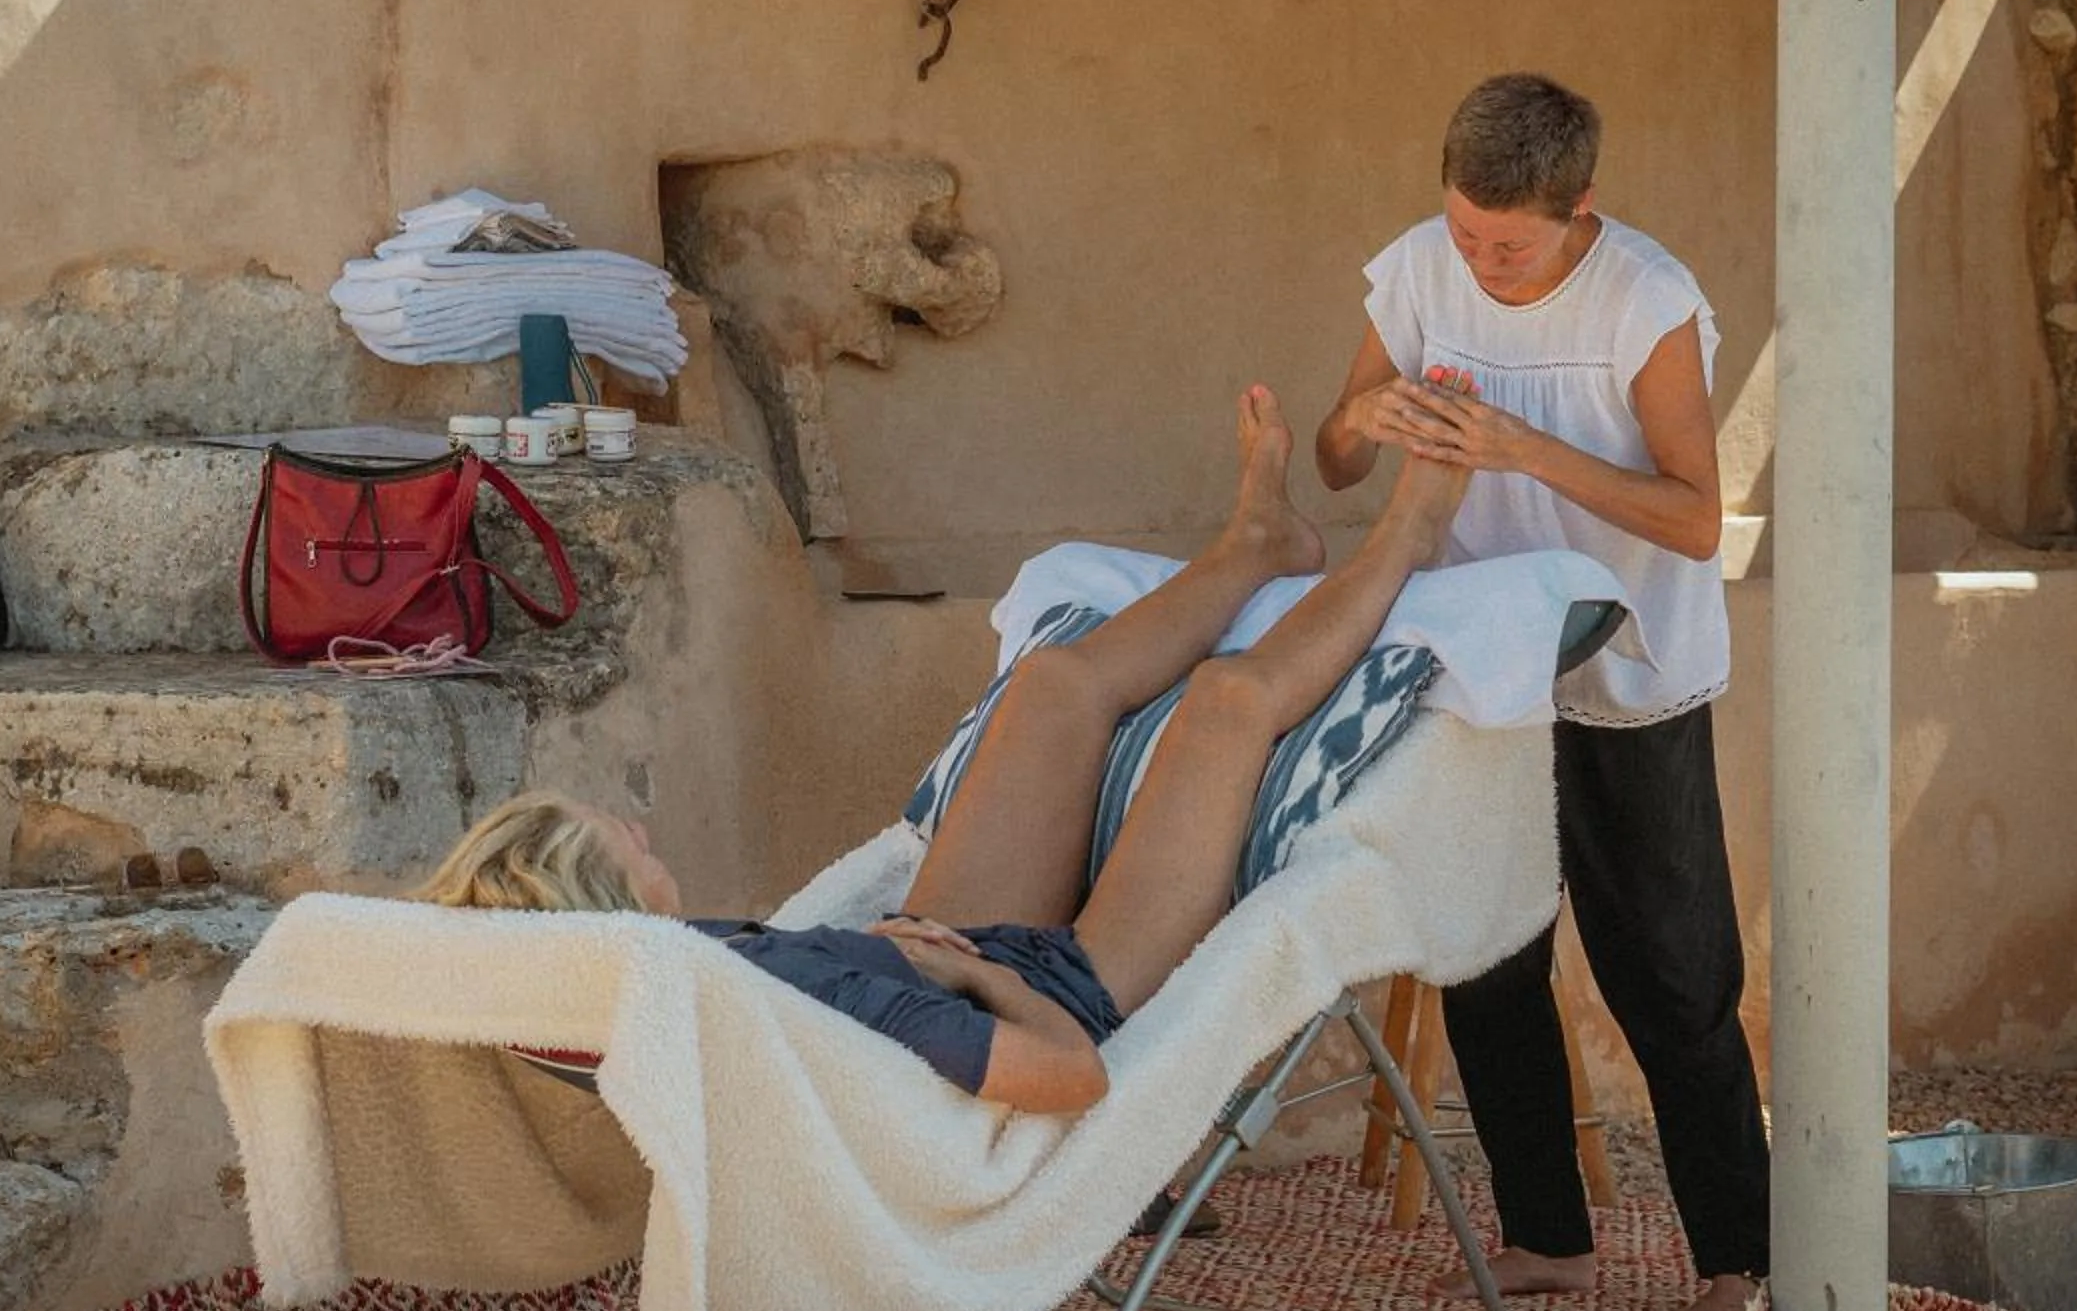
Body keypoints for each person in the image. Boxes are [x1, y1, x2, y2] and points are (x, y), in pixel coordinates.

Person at [419, 386, 1466, 1117]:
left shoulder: (673, 983)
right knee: (1228, 703)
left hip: (952, 951)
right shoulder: (785, 1005)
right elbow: (1069, 1081)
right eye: (628, 845)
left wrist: (912, 949)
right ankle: (1406, 538)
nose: (646, 832)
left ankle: (1254, 547)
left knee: (1053, 687)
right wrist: (950, 975)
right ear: (604, 912)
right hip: (1075, 995)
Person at [1315, 71, 1768, 1311]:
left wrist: (1524, 451)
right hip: (1477, 659)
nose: (1476, 260)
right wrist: (1366, 412)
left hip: (1628, 669)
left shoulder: (1646, 298)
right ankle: (1546, 1241)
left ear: (1579, 211)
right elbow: (1334, 453)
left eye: (1503, 245)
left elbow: (1691, 515)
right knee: (1489, 953)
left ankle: (1739, 1262)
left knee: (1670, 977)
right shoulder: (1412, 269)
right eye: (1462, 231)